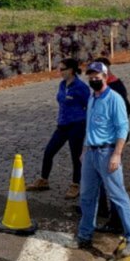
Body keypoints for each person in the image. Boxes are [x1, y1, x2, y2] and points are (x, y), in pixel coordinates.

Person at [76, 61, 130, 257]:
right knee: (87, 196)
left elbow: (123, 128)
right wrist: (84, 149)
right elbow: (89, 127)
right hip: (91, 153)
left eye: (97, 76)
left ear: (105, 77)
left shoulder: (115, 99)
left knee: (118, 196)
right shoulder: (92, 98)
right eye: (91, 77)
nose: (94, 79)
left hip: (107, 153)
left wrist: (117, 154)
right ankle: (85, 234)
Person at [27, 58, 90, 199]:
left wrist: (86, 123)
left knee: (76, 156)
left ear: (71, 70)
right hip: (62, 125)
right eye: (59, 69)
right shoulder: (62, 85)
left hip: (77, 125)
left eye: (62, 69)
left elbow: (90, 106)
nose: (59, 72)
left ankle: (76, 184)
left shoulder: (81, 87)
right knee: (49, 151)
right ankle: (43, 180)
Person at [94, 57, 129, 234]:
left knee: (113, 183)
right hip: (98, 142)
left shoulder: (116, 90)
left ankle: (118, 222)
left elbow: (123, 121)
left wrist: (117, 151)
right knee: (99, 179)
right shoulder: (100, 90)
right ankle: (100, 208)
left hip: (111, 142)